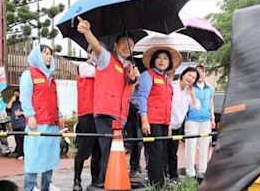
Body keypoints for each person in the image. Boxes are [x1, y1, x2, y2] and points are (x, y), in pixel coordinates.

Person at [77, 16, 140, 184]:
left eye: (131, 46)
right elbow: (96, 47)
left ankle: (109, 182)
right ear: (115, 45)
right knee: (109, 151)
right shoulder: (106, 59)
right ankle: (108, 183)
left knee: (115, 151)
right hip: (106, 113)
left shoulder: (128, 67)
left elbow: (130, 95)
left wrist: (133, 80)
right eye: (124, 44)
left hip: (121, 116)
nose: (128, 47)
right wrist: (87, 32)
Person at [132, 45, 182, 188]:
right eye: (159, 57)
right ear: (154, 60)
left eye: (165, 58)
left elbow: (169, 104)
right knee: (155, 155)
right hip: (151, 121)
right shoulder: (147, 75)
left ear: (169, 63)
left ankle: (160, 184)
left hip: (164, 122)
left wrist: (170, 124)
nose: (162, 60)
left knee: (163, 155)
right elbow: (141, 98)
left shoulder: (166, 79)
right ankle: (157, 186)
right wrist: (144, 121)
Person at [20, 44, 63, 191]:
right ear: (37, 56)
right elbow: (25, 97)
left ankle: (46, 186)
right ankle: (30, 187)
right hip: (36, 123)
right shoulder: (29, 74)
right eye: (45, 53)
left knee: (49, 157)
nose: (49, 56)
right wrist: (30, 115)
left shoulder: (51, 76)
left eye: (50, 53)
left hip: (52, 123)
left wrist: (60, 115)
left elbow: (55, 99)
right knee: (33, 157)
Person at [73, 46, 101, 191]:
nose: (97, 56)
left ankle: (95, 180)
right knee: (84, 148)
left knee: (98, 149)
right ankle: (76, 180)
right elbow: (96, 73)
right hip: (87, 113)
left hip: (100, 113)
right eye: (94, 52)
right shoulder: (84, 66)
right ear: (89, 54)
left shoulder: (101, 69)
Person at [167, 67, 200, 184]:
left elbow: (197, 107)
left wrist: (192, 95)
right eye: (189, 75)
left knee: (173, 152)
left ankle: (173, 177)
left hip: (177, 125)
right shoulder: (172, 86)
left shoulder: (189, 92)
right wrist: (168, 125)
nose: (190, 78)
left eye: (194, 78)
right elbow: (167, 105)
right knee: (161, 152)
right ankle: (160, 175)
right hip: (167, 124)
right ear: (183, 75)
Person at [185, 65, 216, 181]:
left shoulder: (210, 88)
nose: (201, 74)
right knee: (191, 146)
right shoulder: (190, 87)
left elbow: (211, 104)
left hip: (206, 120)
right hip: (192, 119)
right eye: (198, 72)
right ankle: (190, 172)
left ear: (205, 74)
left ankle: (203, 170)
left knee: (205, 147)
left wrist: (212, 118)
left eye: (202, 72)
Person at [6, 89, 25, 160]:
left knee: (24, 139)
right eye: (15, 94)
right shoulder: (13, 103)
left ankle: (24, 154)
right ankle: (20, 154)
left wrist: (21, 113)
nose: (16, 95)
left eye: (17, 94)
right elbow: (7, 109)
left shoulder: (24, 102)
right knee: (18, 140)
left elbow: (30, 112)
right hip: (15, 124)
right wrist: (11, 100)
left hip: (23, 124)